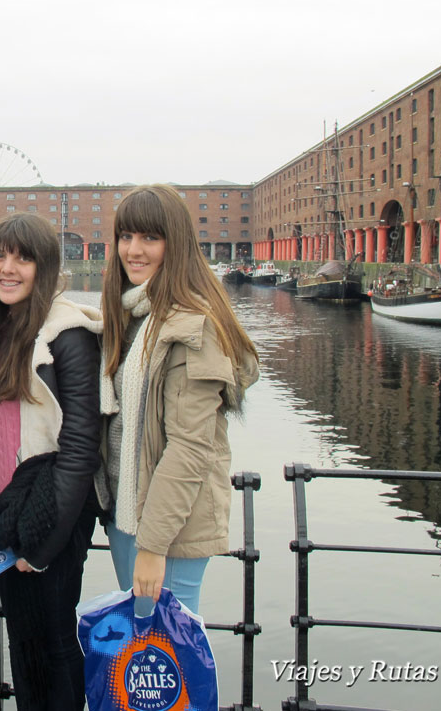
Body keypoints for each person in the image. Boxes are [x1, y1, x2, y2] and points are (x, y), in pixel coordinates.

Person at [0, 214, 103, 710]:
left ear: (45, 268)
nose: (8, 267)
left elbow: (82, 446)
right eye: (0, 255)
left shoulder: (69, 336)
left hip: (52, 513)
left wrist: (43, 543)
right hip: (5, 509)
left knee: (55, 640)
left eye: (23, 257)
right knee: (23, 641)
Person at [97, 184, 259, 615]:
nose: (134, 250)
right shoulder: (135, 316)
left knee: (170, 658)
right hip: (128, 517)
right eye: (126, 236)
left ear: (177, 244)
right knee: (145, 655)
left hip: (168, 532)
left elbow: (189, 448)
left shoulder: (192, 328)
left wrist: (153, 546)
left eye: (150, 238)